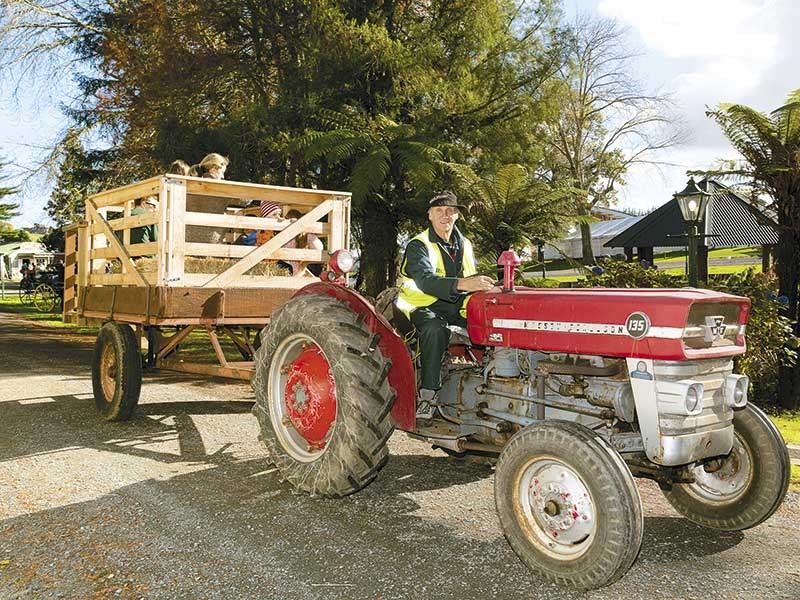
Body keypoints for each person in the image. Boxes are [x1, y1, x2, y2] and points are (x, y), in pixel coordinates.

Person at [395, 191, 494, 418]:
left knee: (493, 325)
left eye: (450, 211)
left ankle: (489, 382)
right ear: (430, 216)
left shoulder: (465, 244)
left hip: (455, 306)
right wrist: (465, 283)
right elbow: (426, 281)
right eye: (439, 211)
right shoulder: (418, 245)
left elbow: (471, 276)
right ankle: (428, 395)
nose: (445, 215)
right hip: (420, 307)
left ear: (457, 215)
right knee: (434, 329)